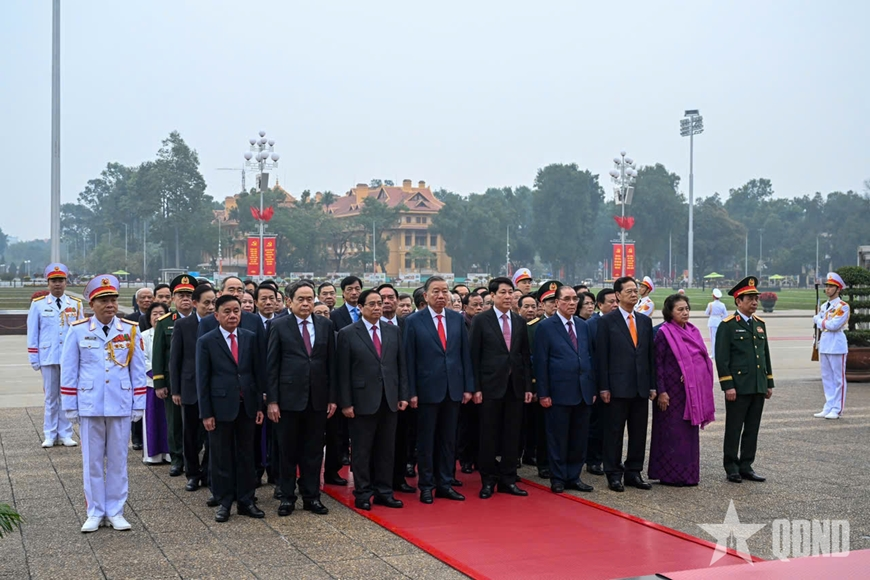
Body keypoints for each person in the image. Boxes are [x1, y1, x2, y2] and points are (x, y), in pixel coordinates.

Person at [61, 275, 146, 532]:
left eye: (113, 300)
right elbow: (69, 369)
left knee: (119, 460)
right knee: (92, 461)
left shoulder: (130, 329)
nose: (110, 305)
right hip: (90, 402)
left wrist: (138, 404)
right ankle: (95, 511)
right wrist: (70, 405)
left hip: (120, 402)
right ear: (92, 303)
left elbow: (138, 369)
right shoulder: (77, 330)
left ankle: (116, 510)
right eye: (104, 301)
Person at [267, 281, 337, 516]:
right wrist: (273, 401)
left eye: (310, 299)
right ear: (289, 301)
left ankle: (311, 496)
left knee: (314, 450)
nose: (306, 303)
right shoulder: (278, 326)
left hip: (317, 399)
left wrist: (332, 397)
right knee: (287, 450)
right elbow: (272, 366)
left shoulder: (326, 325)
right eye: (301, 299)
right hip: (288, 400)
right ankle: (287, 497)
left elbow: (331, 364)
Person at [404, 276, 474, 504]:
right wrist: (411, 391)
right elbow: (409, 359)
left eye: (445, 291)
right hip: (426, 391)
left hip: (453, 389)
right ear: (425, 295)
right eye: (436, 291)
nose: (441, 295)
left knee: (448, 440)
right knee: (426, 440)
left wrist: (467, 387)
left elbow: (464, 356)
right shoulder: (414, 321)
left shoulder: (456, 319)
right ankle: (426, 485)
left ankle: (445, 483)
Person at [338, 289, 410, 511]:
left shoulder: (393, 331)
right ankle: (363, 492)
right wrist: (346, 403)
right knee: (361, 450)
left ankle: (384, 492)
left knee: (386, 450)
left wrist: (403, 395)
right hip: (361, 401)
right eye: (372, 304)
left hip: (389, 399)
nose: (378, 307)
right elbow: (343, 372)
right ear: (360, 308)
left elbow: (401, 366)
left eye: (380, 303)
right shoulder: (348, 333)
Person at [196, 294, 266, 522]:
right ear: (216, 315)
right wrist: (206, 413)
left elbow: (257, 374)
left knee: (247, 456)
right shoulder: (206, 341)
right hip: (220, 408)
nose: (233, 315)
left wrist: (258, 406)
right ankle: (224, 501)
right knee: (221, 456)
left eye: (236, 311)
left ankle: (246, 501)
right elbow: (202, 380)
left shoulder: (250, 337)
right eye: (227, 311)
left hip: (246, 407)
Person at [469, 277, 533, 499]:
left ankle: (508, 479)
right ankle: (488, 480)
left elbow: (524, 356)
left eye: (510, 293)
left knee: (512, 435)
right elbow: (473, 357)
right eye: (503, 293)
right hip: (489, 387)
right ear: (493, 295)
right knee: (488, 435)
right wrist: (475, 387)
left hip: (514, 387)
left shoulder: (519, 321)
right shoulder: (481, 321)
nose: (508, 297)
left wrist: (527, 386)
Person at [533, 285, 597, 494]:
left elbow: (589, 357)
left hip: (583, 391)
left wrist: (592, 388)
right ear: (557, 302)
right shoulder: (546, 327)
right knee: (558, 438)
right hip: (558, 393)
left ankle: (573, 476)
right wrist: (543, 393)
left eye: (574, 299)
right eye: (567, 299)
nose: (572, 303)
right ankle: (558, 477)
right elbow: (541, 363)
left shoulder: (583, 325)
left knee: (579, 438)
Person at [596, 276, 656, 493]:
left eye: (635, 290)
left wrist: (652, 385)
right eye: (629, 290)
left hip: (640, 387)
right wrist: (603, 386)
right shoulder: (606, 322)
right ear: (618, 295)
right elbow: (601, 357)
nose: (634, 293)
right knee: (614, 432)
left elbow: (649, 356)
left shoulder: (644, 321)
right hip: (616, 388)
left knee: (639, 432)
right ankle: (613, 473)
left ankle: (634, 471)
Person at [649, 294, 716, 487]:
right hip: (670, 394)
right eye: (680, 309)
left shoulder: (693, 331)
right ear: (669, 312)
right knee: (671, 433)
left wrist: (692, 374)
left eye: (686, 308)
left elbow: (702, 360)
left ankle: (688, 474)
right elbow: (658, 365)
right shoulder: (664, 333)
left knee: (688, 434)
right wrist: (661, 391)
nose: (685, 312)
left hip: (690, 394)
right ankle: (668, 475)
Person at [715, 276, 774, 483]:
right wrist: (728, 385)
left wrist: (768, 382)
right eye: (750, 298)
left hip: (757, 385)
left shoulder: (760, 324)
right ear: (738, 301)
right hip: (738, 387)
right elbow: (722, 358)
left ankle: (746, 465)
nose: (755, 302)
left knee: (752, 428)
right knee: (734, 428)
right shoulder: (728, 325)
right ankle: (731, 466)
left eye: (756, 298)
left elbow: (765, 354)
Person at [27, 262, 83, 448]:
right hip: (48, 356)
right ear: (48, 283)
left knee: (67, 396)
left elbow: (80, 332)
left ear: (66, 282)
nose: (57, 284)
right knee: (51, 397)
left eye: (61, 280)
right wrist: (34, 357)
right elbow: (33, 332)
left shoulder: (75, 304)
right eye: (54, 281)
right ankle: (50, 434)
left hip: (70, 358)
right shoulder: (39, 305)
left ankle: (66, 433)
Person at [170, 284, 216, 493]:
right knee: (190, 435)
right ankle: (192, 474)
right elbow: (175, 360)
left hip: (213, 388)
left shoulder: (219, 323)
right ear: (196, 303)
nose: (210, 307)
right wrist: (176, 390)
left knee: (212, 435)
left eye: (213, 302)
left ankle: (208, 472)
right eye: (206, 303)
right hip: (189, 387)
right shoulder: (183, 325)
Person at [152, 274, 197, 477]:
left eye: (189, 294)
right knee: (175, 423)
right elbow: (159, 354)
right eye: (181, 295)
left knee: (198, 423)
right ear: (172, 299)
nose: (185, 299)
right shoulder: (165, 322)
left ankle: (195, 459)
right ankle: (177, 459)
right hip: (174, 381)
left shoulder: (203, 320)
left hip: (198, 380)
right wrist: (160, 383)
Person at [377, 283, 415, 493]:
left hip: (400, 393)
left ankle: (398, 478)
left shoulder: (407, 324)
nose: (387, 301)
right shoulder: (363, 325)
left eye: (391, 297)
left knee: (401, 438)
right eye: (383, 298)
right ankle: (376, 481)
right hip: (374, 394)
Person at [584, 288, 618, 477]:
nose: (614, 305)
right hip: (597, 382)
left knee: (613, 425)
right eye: (610, 302)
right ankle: (593, 460)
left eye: (616, 301)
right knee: (596, 424)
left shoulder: (619, 322)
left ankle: (610, 459)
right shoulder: (591, 324)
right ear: (599, 305)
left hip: (617, 382)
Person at [812, 272, 850, 419]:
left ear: (838, 289)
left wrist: (818, 320)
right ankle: (828, 406)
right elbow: (824, 325)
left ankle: (837, 408)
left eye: (831, 286)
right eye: (827, 286)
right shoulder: (824, 306)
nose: (827, 289)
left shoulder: (843, 306)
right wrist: (821, 322)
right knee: (826, 377)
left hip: (837, 344)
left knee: (838, 379)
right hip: (825, 343)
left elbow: (833, 325)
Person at [141, 302, 171, 465]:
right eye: (155, 313)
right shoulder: (144, 336)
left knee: (169, 421)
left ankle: (169, 453)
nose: (158, 317)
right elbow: (142, 359)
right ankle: (153, 455)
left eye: (162, 313)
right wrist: (156, 376)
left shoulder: (171, 332)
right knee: (153, 421)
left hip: (170, 382)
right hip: (151, 384)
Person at [705, 289, 728, 358]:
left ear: (713, 296)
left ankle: (714, 354)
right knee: (720, 338)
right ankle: (720, 353)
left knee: (713, 338)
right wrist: (721, 318)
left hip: (712, 321)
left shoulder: (710, 304)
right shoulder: (722, 304)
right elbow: (725, 314)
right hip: (719, 321)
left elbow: (706, 313)